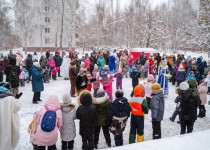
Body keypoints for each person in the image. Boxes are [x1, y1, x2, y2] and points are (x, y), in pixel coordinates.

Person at [0, 83, 21, 150]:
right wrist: (17, 99)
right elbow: (17, 108)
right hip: (9, 122)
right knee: (8, 136)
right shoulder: (10, 99)